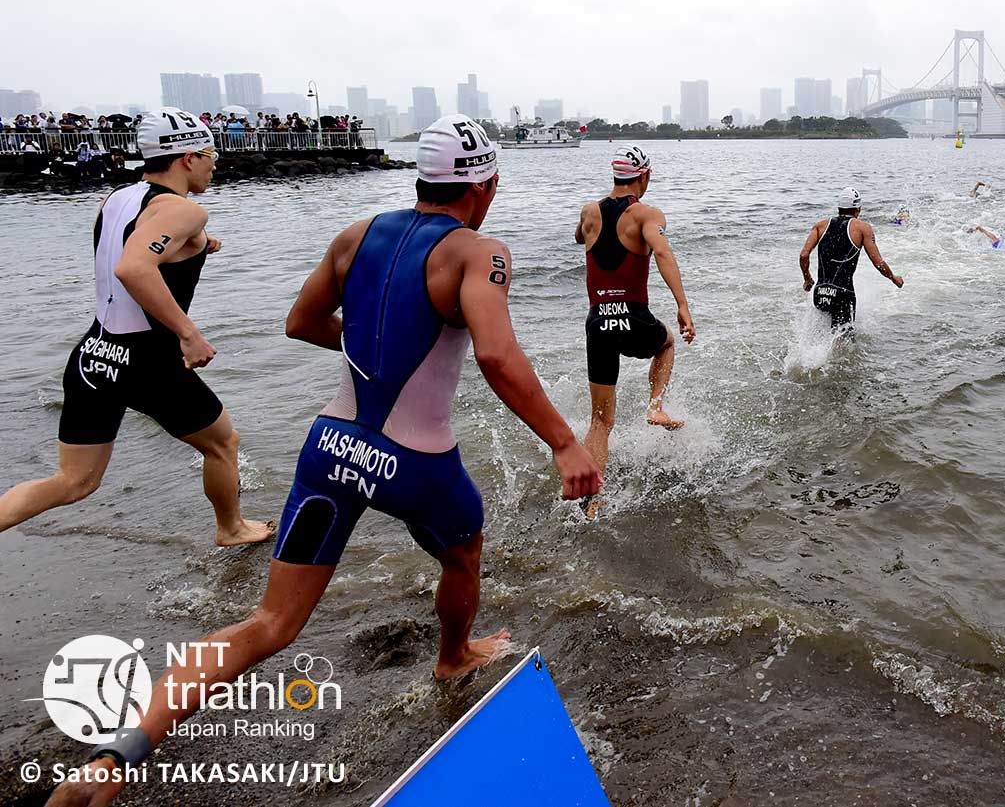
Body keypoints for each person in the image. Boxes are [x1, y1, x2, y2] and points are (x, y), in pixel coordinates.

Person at [45, 115, 604, 807]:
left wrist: (374, 341)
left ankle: (115, 756)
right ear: (484, 184)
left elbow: (300, 323)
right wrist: (563, 440)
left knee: (267, 626)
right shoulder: (479, 251)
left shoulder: (356, 233)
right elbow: (495, 353)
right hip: (415, 463)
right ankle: (453, 653)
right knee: (462, 553)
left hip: (329, 449)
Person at [0, 109, 273, 547]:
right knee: (222, 443)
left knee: (73, 481)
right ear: (187, 157)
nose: (215, 162)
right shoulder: (185, 210)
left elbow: (129, 245)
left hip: (96, 354)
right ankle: (232, 528)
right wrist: (188, 332)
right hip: (148, 361)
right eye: (210, 153)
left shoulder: (118, 198)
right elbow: (134, 266)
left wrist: (201, 245)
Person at [574, 144, 696, 482]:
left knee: (600, 422)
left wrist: (590, 225)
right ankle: (655, 407)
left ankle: (591, 502)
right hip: (632, 316)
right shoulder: (646, 214)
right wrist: (682, 306)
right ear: (644, 175)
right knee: (667, 342)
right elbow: (662, 252)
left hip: (597, 322)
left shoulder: (589, 212)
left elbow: (578, 235)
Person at [800, 187, 904, 329]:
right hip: (843, 295)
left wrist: (807, 279)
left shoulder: (820, 226)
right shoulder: (863, 228)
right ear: (858, 209)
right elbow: (878, 263)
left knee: (821, 337)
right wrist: (893, 277)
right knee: (844, 342)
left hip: (820, 293)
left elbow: (804, 255)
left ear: (839, 207)